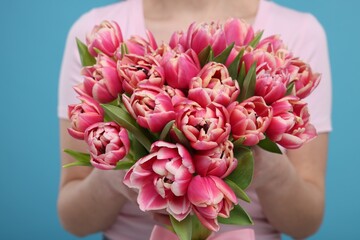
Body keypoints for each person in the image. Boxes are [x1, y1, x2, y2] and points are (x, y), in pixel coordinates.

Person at [57, 0, 332, 239]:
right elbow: (74, 220)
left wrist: (274, 173)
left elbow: (306, 224)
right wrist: (111, 181)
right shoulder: (93, 30)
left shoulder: (300, 33)